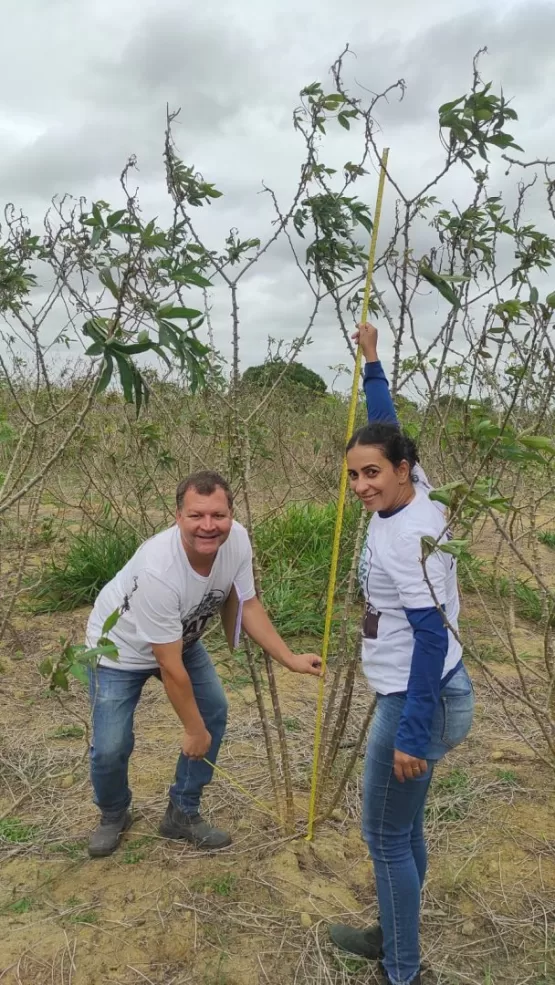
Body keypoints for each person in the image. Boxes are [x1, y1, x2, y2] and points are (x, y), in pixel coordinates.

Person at [329, 324, 474, 985]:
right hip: (438, 689)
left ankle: (402, 970)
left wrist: (412, 730)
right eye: (354, 473)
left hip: (420, 697)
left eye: (371, 474)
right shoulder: (417, 489)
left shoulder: (400, 538)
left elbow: (429, 635)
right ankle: (394, 931)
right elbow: (386, 427)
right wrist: (372, 364)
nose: (361, 484)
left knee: (383, 836)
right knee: (403, 828)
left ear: (401, 471)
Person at [86, 470, 322, 858]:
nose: (208, 526)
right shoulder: (158, 570)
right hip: (119, 650)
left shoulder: (238, 541)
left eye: (218, 515)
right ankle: (113, 814)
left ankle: (183, 810)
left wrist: (289, 658)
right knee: (111, 746)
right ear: (177, 516)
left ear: (231, 514)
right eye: (196, 516)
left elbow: (247, 603)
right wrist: (192, 731)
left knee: (214, 709)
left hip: (181, 638)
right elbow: (169, 666)